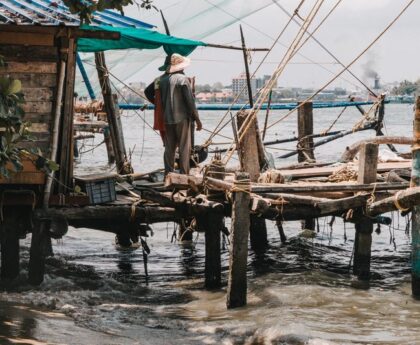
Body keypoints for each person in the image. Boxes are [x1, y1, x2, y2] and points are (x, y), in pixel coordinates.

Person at [145, 53, 202, 175]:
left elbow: (150, 93)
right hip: (182, 118)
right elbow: (190, 102)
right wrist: (197, 120)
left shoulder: (162, 80)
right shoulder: (182, 80)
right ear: (182, 67)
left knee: (169, 148)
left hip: (167, 118)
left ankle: (168, 174)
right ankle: (184, 174)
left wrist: (156, 103)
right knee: (184, 147)